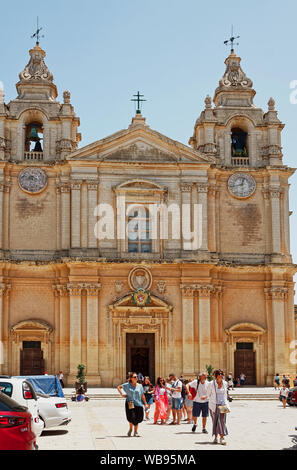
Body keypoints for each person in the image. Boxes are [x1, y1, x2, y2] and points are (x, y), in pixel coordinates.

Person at [117, 372, 148, 437]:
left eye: (136, 377)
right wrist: (122, 394)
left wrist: (145, 403)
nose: (136, 378)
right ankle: (134, 431)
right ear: (131, 378)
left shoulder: (140, 386)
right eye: (134, 377)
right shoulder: (127, 385)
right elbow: (119, 387)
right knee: (132, 417)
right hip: (130, 403)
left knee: (139, 418)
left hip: (139, 403)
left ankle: (134, 430)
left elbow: (142, 395)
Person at [207, 369, 230, 446]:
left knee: (222, 421)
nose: (221, 375)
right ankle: (215, 437)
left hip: (223, 404)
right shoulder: (211, 384)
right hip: (214, 405)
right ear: (216, 375)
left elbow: (226, 393)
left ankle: (222, 437)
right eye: (219, 374)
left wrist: (227, 402)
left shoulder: (225, 383)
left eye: (222, 374)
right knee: (215, 421)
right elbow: (208, 394)